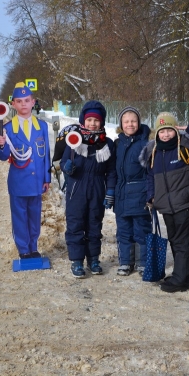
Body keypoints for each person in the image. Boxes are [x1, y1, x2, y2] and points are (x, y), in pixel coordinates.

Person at [140, 112, 189, 292]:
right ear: (157, 134)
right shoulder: (153, 152)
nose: (165, 135)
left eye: (169, 130)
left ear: (175, 131)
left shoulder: (184, 148)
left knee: (183, 241)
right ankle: (184, 274)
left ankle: (180, 280)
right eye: (162, 131)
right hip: (164, 205)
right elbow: (150, 177)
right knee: (174, 239)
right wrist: (151, 196)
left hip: (182, 203)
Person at [60, 101, 116, 278]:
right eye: (89, 119)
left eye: (96, 120)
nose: (93, 123)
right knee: (75, 224)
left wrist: (110, 191)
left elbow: (112, 171)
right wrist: (66, 167)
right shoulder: (73, 139)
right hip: (77, 187)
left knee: (94, 225)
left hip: (98, 187)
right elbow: (62, 162)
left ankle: (93, 259)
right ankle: (77, 262)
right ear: (83, 120)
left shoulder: (107, 144)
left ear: (102, 122)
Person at [0, 82, 51, 259]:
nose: (24, 104)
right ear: (13, 104)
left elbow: (46, 154)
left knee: (34, 217)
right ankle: (23, 250)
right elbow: (3, 157)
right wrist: (1, 146)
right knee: (19, 217)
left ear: (33, 102)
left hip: (36, 181)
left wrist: (47, 178)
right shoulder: (8, 128)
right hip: (18, 182)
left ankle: (33, 247)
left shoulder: (41, 126)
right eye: (19, 101)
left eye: (27, 100)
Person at [114, 106, 152, 276]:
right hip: (121, 195)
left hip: (140, 194)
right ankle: (125, 262)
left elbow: (151, 171)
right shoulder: (117, 144)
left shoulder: (146, 143)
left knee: (141, 230)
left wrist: (150, 194)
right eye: (126, 121)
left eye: (133, 121)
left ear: (139, 122)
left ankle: (143, 262)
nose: (130, 124)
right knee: (123, 231)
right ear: (121, 124)